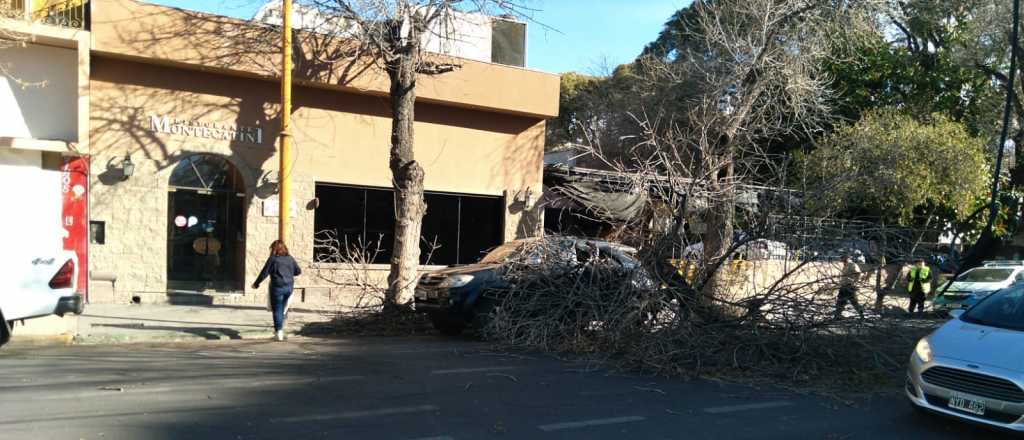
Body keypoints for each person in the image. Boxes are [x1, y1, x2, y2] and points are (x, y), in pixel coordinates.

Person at [252, 240, 302, 341]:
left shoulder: (273, 259)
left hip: (277, 288)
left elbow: (264, 273)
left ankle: (278, 332)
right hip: (289, 288)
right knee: (282, 310)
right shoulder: (290, 258)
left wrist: (256, 284)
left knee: (277, 310)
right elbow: (298, 271)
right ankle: (280, 330)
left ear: (274, 249)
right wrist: (289, 273)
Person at [835, 254, 865, 319]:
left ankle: (862, 316)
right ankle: (837, 316)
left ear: (848, 258)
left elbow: (859, 273)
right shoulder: (844, 265)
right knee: (840, 302)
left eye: (843, 257)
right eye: (842, 258)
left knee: (854, 302)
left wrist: (854, 282)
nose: (842, 259)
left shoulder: (852, 265)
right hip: (843, 286)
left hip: (849, 287)